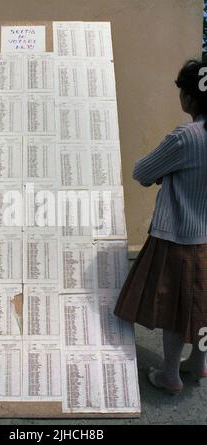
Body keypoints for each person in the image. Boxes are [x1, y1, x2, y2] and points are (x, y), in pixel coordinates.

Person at [114, 59, 207, 395]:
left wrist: (164, 172)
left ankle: (170, 374)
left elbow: (142, 172)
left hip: (179, 235)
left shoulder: (187, 137)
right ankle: (198, 363)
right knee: (201, 304)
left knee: (174, 307)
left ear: (191, 97)